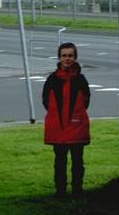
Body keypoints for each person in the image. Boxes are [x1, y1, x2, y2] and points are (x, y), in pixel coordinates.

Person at [42, 42, 91, 198]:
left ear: (75, 57)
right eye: (64, 55)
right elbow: (45, 101)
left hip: (76, 126)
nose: (67, 59)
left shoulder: (81, 80)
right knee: (59, 161)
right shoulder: (52, 79)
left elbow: (86, 101)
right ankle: (60, 191)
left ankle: (77, 190)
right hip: (58, 127)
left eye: (70, 55)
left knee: (78, 161)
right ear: (59, 57)